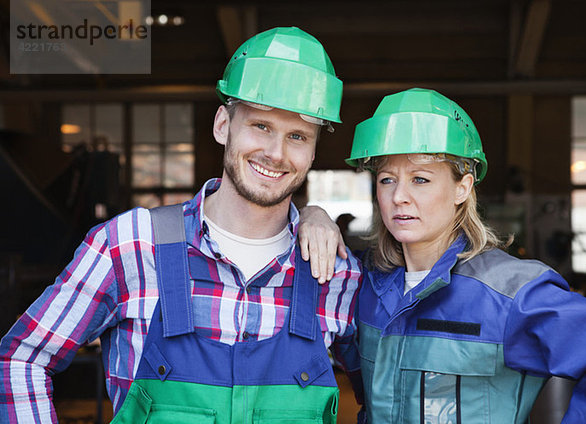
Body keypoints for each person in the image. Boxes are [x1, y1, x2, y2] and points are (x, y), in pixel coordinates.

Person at [0, 27, 362, 423]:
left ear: (313, 150)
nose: (276, 153)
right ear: (223, 125)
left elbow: (393, 391)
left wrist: (316, 213)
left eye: (297, 135)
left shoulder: (334, 274)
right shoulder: (130, 247)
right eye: (260, 126)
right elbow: (23, 359)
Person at [299, 88, 586, 423]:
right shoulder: (363, 284)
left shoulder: (512, 294)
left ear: (463, 188)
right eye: (387, 180)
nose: (400, 196)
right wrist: (310, 215)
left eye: (421, 179)